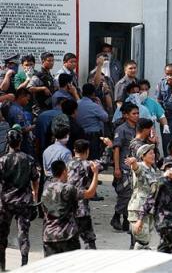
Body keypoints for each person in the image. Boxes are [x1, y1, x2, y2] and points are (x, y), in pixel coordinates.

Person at [41, 159, 99, 257]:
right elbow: (90, 193)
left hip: (49, 236)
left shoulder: (46, 189)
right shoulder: (68, 189)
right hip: (68, 235)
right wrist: (96, 174)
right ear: (64, 171)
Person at [0, 128, 39, 270]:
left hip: (6, 202)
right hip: (24, 202)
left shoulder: (2, 160)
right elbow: (35, 179)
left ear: (8, 142)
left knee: (2, 233)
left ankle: (2, 264)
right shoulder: (29, 159)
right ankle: (24, 264)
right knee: (23, 233)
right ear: (20, 142)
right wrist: (35, 195)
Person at [111, 102, 139, 231]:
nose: (137, 116)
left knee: (134, 195)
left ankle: (126, 220)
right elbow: (116, 149)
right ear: (126, 115)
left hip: (135, 167)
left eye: (138, 113)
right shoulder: (121, 129)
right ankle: (117, 216)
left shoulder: (139, 128)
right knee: (125, 195)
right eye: (134, 113)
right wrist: (117, 168)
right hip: (124, 167)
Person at [67, 139, 99, 249]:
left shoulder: (67, 164)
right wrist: (109, 148)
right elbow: (104, 162)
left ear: (74, 150)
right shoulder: (88, 165)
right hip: (81, 208)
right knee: (89, 239)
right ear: (87, 151)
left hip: (67, 208)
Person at [127, 144, 159, 250]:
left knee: (146, 239)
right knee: (142, 240)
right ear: (143, 156)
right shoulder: (140, 166)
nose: (153, 155)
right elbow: (136, 170)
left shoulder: (153, 170)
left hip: (149, 208)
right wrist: (133, 162)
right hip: (138, 207)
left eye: (153, 153)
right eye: (150, 153)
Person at [76, 84, 109, 160]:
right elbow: (105, 117)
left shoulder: (77, 104)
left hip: (80, 134)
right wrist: (99, 104)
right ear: (93, 93)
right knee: (93, 158)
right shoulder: (94, 105)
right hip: (93, 136)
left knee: (81, 156)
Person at [6, 88, 34, 155]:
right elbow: (19, 130)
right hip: (21, 145)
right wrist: (32, 127)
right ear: (21, 97)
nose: (27, 102)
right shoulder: (16, 111)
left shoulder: (17, 108)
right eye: (27, 99)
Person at [28, 52, 55, 117]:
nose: (51, 63)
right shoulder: (38, 75)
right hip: (40, 109)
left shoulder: (49, 75)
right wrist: (43, 88)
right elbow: (29, 88)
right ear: (43, 61)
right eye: (49, 61)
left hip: (48, 107)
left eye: (52, 60)